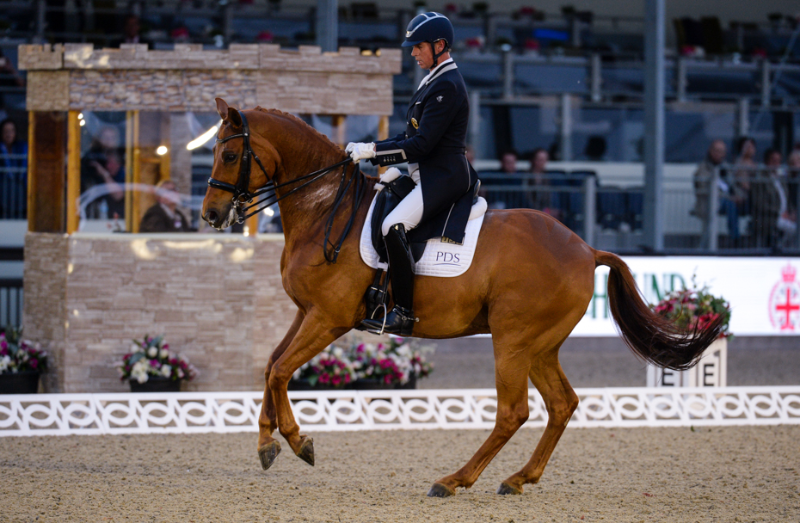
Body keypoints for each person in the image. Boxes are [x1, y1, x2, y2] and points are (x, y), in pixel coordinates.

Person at [346, 12, 478, 335]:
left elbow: (420, 145)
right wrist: (373, 149)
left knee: (393, 225)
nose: (413, 53)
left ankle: (403, 312)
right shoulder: (433, 79)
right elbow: (410, 140)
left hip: (444, 178)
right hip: (427, 175)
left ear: (439, 46)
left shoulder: (447, 85)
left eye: (418, 47)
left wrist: (373, 152)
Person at [692, 139, 741, 244]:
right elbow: (705, 189)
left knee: (741, 203)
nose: (719, 154)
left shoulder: (725, 167)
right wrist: (729, 198)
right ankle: (736, 239)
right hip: (707, 203)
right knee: (730, 204)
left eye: (722, 151)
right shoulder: (703, 168)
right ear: (710, 151)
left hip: (725, 202)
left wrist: (738, 196)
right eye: (716, 150)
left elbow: (733, 185)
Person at [81, 125, 126, 219]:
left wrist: (105, 174)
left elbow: (118, 195)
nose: (108, 141)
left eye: (112, 138)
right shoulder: (92, 156)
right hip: (92, 209)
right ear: (99, 139)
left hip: (117, 213)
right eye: (105, 138)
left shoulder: (123, 157)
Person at [0, 118, 28, 218]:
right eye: (6, 131)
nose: (8, 134)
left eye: (11, 131)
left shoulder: (21, 147)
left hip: (20, 189)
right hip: (3, 190)